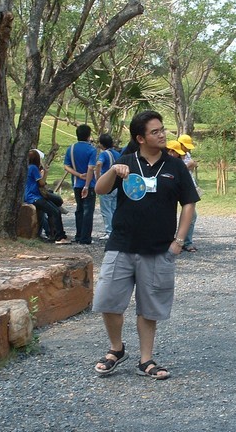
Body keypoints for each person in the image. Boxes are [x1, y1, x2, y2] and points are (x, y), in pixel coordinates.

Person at [92, 111, 199, 380]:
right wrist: (113, 171)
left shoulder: (175, 167)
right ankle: (116, 349)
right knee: (107, 300)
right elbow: (100, 190)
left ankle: (146, 360)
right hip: (121, 244)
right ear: (140, 138)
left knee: (149, 307)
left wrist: (179, 241)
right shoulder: (126, 161)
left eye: (162, 129)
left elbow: (188, 203)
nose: (162, 135)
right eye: (155, 132)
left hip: (158, 248)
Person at [24, 149, 70, 244]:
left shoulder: (27, 168)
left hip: (31, 196)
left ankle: (53, 234)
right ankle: (59, 236)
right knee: (55, 211)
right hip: (34, 197)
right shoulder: (33, 168)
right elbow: (41, 183)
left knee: (54, 209)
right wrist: (45, 172)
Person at [64, 125, 97, 245]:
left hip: (76, 184)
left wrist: (78, 175)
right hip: (89, 185)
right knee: (88, 211)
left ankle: (78, 235)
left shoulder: (71, 148)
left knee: (79, 209)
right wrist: (86, 185)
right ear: (88, 135)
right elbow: (90, 168)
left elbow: (66, 166)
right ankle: (85, 238)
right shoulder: (91, 150)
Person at [95, 134, 120, 240]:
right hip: (116, 184)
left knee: (106, 209)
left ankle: (109, 231)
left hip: (106, 183)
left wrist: (98, 178)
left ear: (102, 144)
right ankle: (115, 230)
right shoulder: (117, 153)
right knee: (114, 208)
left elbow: (99, 164)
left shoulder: (104, 154)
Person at [177, 133, 199, 252]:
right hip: (177, 188)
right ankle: (176, 242)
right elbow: (176, 171)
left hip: (189, 187)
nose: (187, 149)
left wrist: (192, 165)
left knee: (192, 215)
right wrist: (187, 166)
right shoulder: (174, 155)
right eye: (185, 146)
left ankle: (186, 242)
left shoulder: (188, 155)